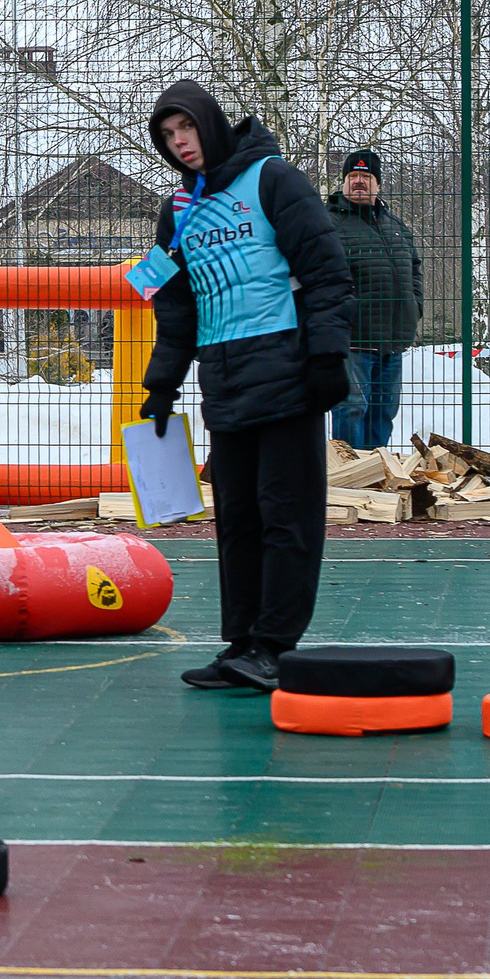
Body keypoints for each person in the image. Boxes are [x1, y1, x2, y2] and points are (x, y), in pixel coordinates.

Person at [138, 81, 356, 692]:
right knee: (235, 517)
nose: (180, 143)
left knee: (287, 516)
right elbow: (175, 309)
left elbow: (327, 271)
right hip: (225, 384)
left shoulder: (272, 179)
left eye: (186, 128)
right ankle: (242, 644)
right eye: (167, 135)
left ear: (210, 122)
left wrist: (327, 357)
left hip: (288, 375)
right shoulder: (177, 211)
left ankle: (275, 645)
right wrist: (163, 387)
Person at [324, 149, 421, 449]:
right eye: (352, 177)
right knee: (351, 408)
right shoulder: (329, 223)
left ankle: (374, 477)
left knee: (383, 413)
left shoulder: (395, 225)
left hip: (392, 341)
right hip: (353, 339)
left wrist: (414, 306)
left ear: (377, 184)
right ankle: (348, 480)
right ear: (343, 183)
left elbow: (415, 267)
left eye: (365, 177)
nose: (358, 183)